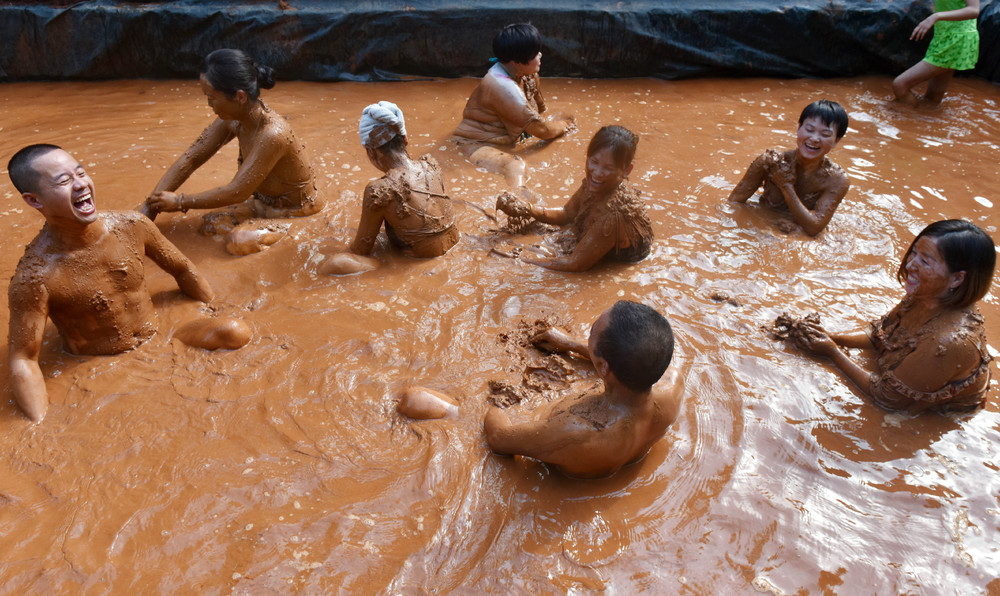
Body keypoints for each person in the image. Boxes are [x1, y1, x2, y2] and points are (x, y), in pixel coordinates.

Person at [6, 144, 248, 423]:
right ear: (35, 201)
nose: (80, 184)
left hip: (161, 339)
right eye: (64, 181)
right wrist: (38, 426)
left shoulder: (132, 226)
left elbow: (183, 270)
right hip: (101, 368)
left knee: (235, 331)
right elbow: (23, 359)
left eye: (80, 173)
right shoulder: (35, 277)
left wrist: (211, 309)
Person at [781, 219, 994, 413]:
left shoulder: (949, 341)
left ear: (957, 279)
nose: (910, 265)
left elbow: (887, 398)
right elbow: (881, 336)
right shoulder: (927, 296)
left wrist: (832, 353)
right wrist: (831, 337)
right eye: (914, 253)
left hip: (941, 416)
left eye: (925, 262)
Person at [140, 49, 321, 255]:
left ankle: (303, 235)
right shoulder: (232, 120)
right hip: (262, 203)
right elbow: (190, 159)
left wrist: (180, 201)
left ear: (240, 97)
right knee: (210, 226)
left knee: (240, 242)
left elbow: (238, 191)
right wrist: (149, 209)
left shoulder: (273, 134)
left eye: (211, 97)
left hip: (296, 212)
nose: (208, 104)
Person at [484, 301, 683, 479]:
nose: (591, 329)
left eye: (593, 329)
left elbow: (498, 438)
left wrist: (490, 402)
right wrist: (571, 344)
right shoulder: (673, 385)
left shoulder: (574, 432)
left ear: (604, 367)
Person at [319, 101, 459, 275]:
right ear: (405, 138)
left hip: (415, 265)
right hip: (453, 247)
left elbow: (360, 250)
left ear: (371, 152)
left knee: (334, 264)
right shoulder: (430, 164)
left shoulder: (379, 190)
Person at [494, 125, 653, 271]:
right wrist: (527, 209)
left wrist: (523, 260)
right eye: (594, 161)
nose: (597, 172)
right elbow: (567, 213)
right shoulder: (596, 186)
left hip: (623, 261)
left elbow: (575, 263)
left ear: (626, 171)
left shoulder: (613, 216)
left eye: (608, 168)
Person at [451, 23, 575, 188]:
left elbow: (541, 110)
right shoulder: (503, 87)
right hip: (475, 145)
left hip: (502, 141)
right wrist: (565, 124)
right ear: (517, 61)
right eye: (534, 53)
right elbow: (543, 130)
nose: (540, 55)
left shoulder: (527, 74)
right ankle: (518, 204)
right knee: (516, 166)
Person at [728, 99, 850, 236]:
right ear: (798, 129)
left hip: (799, 234)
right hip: (762, 229)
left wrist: (786, 186)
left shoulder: (836, 180)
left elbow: (814, 228)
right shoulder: (769, 162)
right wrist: (761, 224)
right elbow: (732, 204)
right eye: (809, 130)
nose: (815, 138)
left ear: (837, 141)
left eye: (825, 134)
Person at [892, 0, 980, 106]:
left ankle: (909, 117)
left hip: (956, 39)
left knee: (900, 85)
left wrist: (936, 16)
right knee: (932, 99)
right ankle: (926, 120)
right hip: (945, 36)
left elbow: (974, 10)